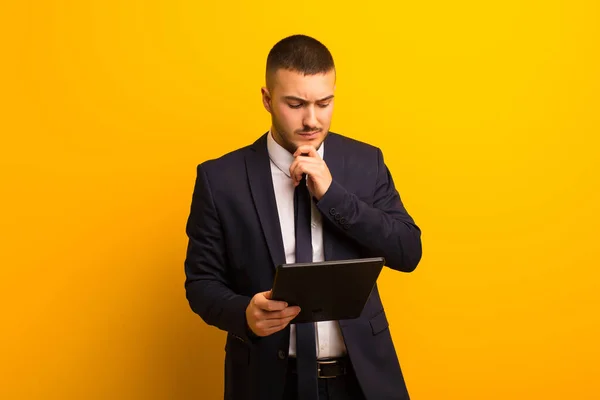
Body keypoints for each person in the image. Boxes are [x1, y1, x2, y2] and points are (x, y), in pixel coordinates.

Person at [183, 34, 422, 400]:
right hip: (267, 383)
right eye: (295, 104)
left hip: (362, 382)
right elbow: (200, 283)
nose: (312, 119)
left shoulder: (365, 162)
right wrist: (243, 313)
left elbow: (408, 252)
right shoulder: (220, 180)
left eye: (324, 103)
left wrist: (333, 195)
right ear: (267, 99)